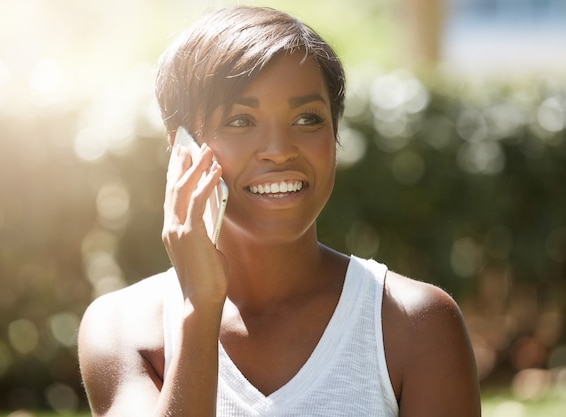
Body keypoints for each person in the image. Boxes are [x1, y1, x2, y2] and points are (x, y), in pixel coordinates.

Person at [77, 6, 481, 417]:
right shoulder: (120, 328)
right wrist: (200, 308)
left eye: (307, 118)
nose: (279, 149)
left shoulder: (416, 326)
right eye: (240, 121)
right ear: (182, 149)